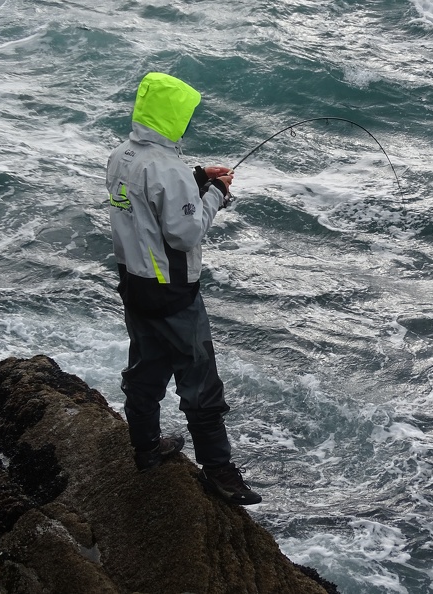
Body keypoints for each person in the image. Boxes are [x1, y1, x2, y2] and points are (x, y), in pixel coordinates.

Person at [106, 71, 261, 505]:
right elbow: (185, 233)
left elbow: (149, 200)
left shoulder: (121, 156)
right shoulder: (167, 168)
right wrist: (215, 195)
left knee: (146, 369)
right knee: (201, 386)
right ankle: (220, 473)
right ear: (173, 115)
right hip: (173, 292)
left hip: (134, 285)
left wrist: (196, 177)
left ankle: (147, 447)